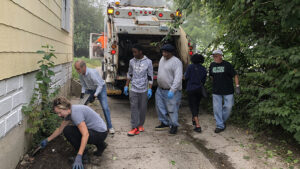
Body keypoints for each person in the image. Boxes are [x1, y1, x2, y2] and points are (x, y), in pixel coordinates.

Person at [40, 97, 108, 169]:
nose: (59, 115)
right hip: (101, 131)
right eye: (57, 113)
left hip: (99, 133)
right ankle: (101, 145)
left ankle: (84, 157)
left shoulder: (75, 114)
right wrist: (47, 140)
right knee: (68, 129)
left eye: (59, 112)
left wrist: (79, 155)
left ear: (65, 108)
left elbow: (85, 134)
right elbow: (60, 129)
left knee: (68, 131)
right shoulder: (70, 112)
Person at [74, 60, 115, 134]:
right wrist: (82, 93)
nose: (77, 71)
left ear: (84, 67)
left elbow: (99, 85)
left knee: (105, 107)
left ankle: (110, 127)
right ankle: (81, 124)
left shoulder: (91, 73)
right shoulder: (80, 74)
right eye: (76, 69)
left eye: (78, 69)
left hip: (101, 88)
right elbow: (83, 85)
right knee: (81, 105)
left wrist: (95, 95)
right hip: (90, 89)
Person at [123, 44, 153, 136]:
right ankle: (134, 127)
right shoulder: (131, 61)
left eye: (135, 52)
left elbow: (150, 76)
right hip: (134, 88)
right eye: (133, 52)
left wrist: (150, 89)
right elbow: (130, 73)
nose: (133, 54)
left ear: (140, 52)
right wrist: (126, 86)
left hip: (144, 89)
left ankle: (140, 124)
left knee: (143, 108)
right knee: (133, 108)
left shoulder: (148, 62)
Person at [209, 49, 240, 133]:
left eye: (216, 56)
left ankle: (221, 120)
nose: (214, 58)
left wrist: (237, 86)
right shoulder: (212, 65)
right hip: (216, 91)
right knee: (217, 109)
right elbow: (211, 76)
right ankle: (220, 125)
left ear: (220, 56)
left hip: (228, 90)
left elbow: (235, 75)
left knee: (229, 107)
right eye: (213, 56)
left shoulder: (227, 65)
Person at [155, 44, 183, 134]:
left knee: (172, 109)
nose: (164, 53)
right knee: (160, 107)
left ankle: (174, 125)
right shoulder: (162, 59)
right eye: (163, 52)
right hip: (160, 89)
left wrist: (172, 90)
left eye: (166, 52)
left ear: (171, 53)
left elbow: (178, 78)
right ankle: (164, 122)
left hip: (171, 90)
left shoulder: (176, 62)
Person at [184, 54, 207, 133]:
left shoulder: (190, 67)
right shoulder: (204, 68)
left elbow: (186, 77)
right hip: (199, 90)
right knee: (196, 105)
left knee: (192, 106)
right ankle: (194, 119)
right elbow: (204, 80)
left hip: (191, 89)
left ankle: (198, 125)